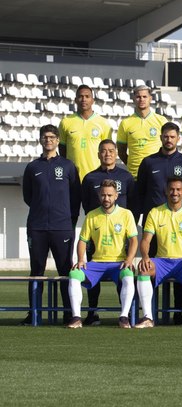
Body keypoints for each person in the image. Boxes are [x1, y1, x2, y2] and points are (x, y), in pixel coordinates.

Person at [22, 124, 80, 325]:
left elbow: (75, 197)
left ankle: (68, 313)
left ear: (57, 141)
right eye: (45, 137)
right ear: (40, 140)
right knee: (36, 270)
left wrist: (67, 219)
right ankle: (34, 314)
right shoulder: (32, 167)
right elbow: (28, 197)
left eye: (52, 137)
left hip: (62, 227)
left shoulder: (68, 166)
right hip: (37, 227)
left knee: (65, 270)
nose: (48, 140)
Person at [134, 176, 182, 329]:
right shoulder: (155, 212)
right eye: (171, 189)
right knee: (144, 268)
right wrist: (146, 257)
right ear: (166, 191)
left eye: (178, 189)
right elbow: (146, 240)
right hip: (162, 261)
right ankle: (148, 317)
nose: (175, 192)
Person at [65, 180, 138, 329]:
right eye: (103, 195)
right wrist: (80, 259)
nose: (106, 198)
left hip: (118, 263)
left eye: (110, 195)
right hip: (96, 263)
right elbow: (82, 240)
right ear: (99, 196)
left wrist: (130, 259)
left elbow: (134, 241)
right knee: (74, 274)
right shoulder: (92, 215)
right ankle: (76, 317)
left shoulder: (126, 214)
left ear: (116, 196)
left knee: (129, 275)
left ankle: (124, 317)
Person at [79, 139, 136, 325]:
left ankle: (124, 314)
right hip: (96, 231)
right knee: (91, 274)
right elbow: (87, 204)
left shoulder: (126, 177)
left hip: (120, 232)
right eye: (103, 151)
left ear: (116, 153)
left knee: (123, 274)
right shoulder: (90, 178)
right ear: (98, 154)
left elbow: (133, 202)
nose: (107, 154)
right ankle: (92, 312)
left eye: (111, 150)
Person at [136, 122, 182, 220]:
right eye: (166, 137)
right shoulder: (148, 162)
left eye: (172, 137)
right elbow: (140, 191)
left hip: (180, 218)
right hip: (154, 218)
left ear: (178, 139)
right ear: (161, 137)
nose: (169, 140)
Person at [59, 84, 112, 180]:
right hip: (73, 176)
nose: (84, 99)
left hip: (97, 175)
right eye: (80, 96)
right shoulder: (65, 122)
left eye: (87, 96)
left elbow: (107, 150)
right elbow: (62, 149)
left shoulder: (103, 123)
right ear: (75, 100)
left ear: (92, 100)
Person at [117, 85, 168, 179]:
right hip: (134, 176)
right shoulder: (125, 123)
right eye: (138, 97)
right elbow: (121, 152)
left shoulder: (161, 120)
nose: (141, 99)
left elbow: (168, 147)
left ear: (150, 98)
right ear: (133, 99)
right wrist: (133, 165)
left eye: (144, 97)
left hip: (156, 175)